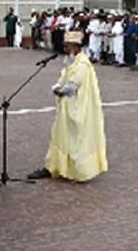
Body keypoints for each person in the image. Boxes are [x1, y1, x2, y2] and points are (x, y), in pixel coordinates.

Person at [27, 30, 107, 182]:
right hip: (66, 108)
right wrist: (57, 86)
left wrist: (59, 90)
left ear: (76, 46)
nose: (65, 49)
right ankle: (53, 167)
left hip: (76, 108)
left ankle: (77, 171)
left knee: (74, 140)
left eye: (67, 46)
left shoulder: (83, 64)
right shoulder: (71, 61)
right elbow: (63, 78)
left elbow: (71, 87)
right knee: (59, 137)